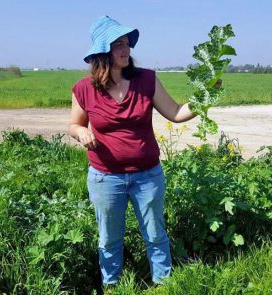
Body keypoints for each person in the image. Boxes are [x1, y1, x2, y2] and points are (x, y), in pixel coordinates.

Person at [68, 16, 195, 286]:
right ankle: (112, 286)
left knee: (155, 234)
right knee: (109, 237)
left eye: (126, 44)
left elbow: (175, 112)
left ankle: (164, 285)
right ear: (102, 52)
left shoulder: (146, 79)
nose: (126, 50)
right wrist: (82, 133)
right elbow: (74, 125)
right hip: (106, 177)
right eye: (117, 45)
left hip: (147, 175)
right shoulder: (84, 89)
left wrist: (205, 97)